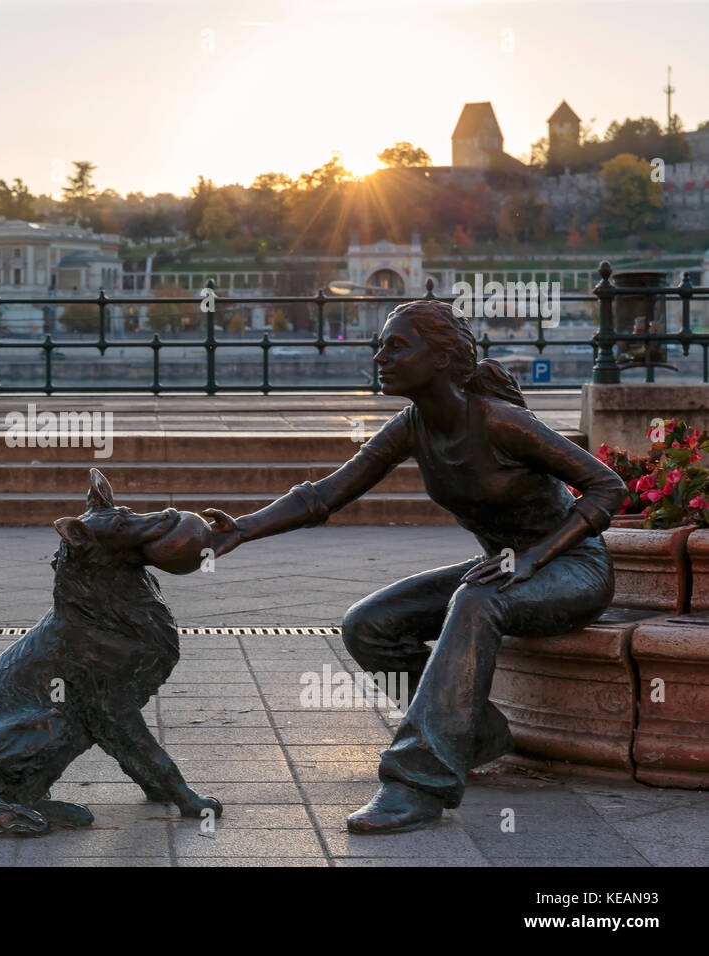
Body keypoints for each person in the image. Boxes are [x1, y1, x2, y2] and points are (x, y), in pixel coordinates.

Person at [205, 300, 627, 834]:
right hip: (501, 569)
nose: (381, 357)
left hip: (573, 568)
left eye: (397, 346)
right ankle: (474, 734)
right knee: (369, 623)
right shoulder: (412, 426)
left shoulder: (501, 422)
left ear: (444, 358)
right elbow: (325, 495)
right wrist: (242, 529)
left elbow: (607, 486)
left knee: (475, 601)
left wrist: (534, 558)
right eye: (380, 346)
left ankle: (417, 783)